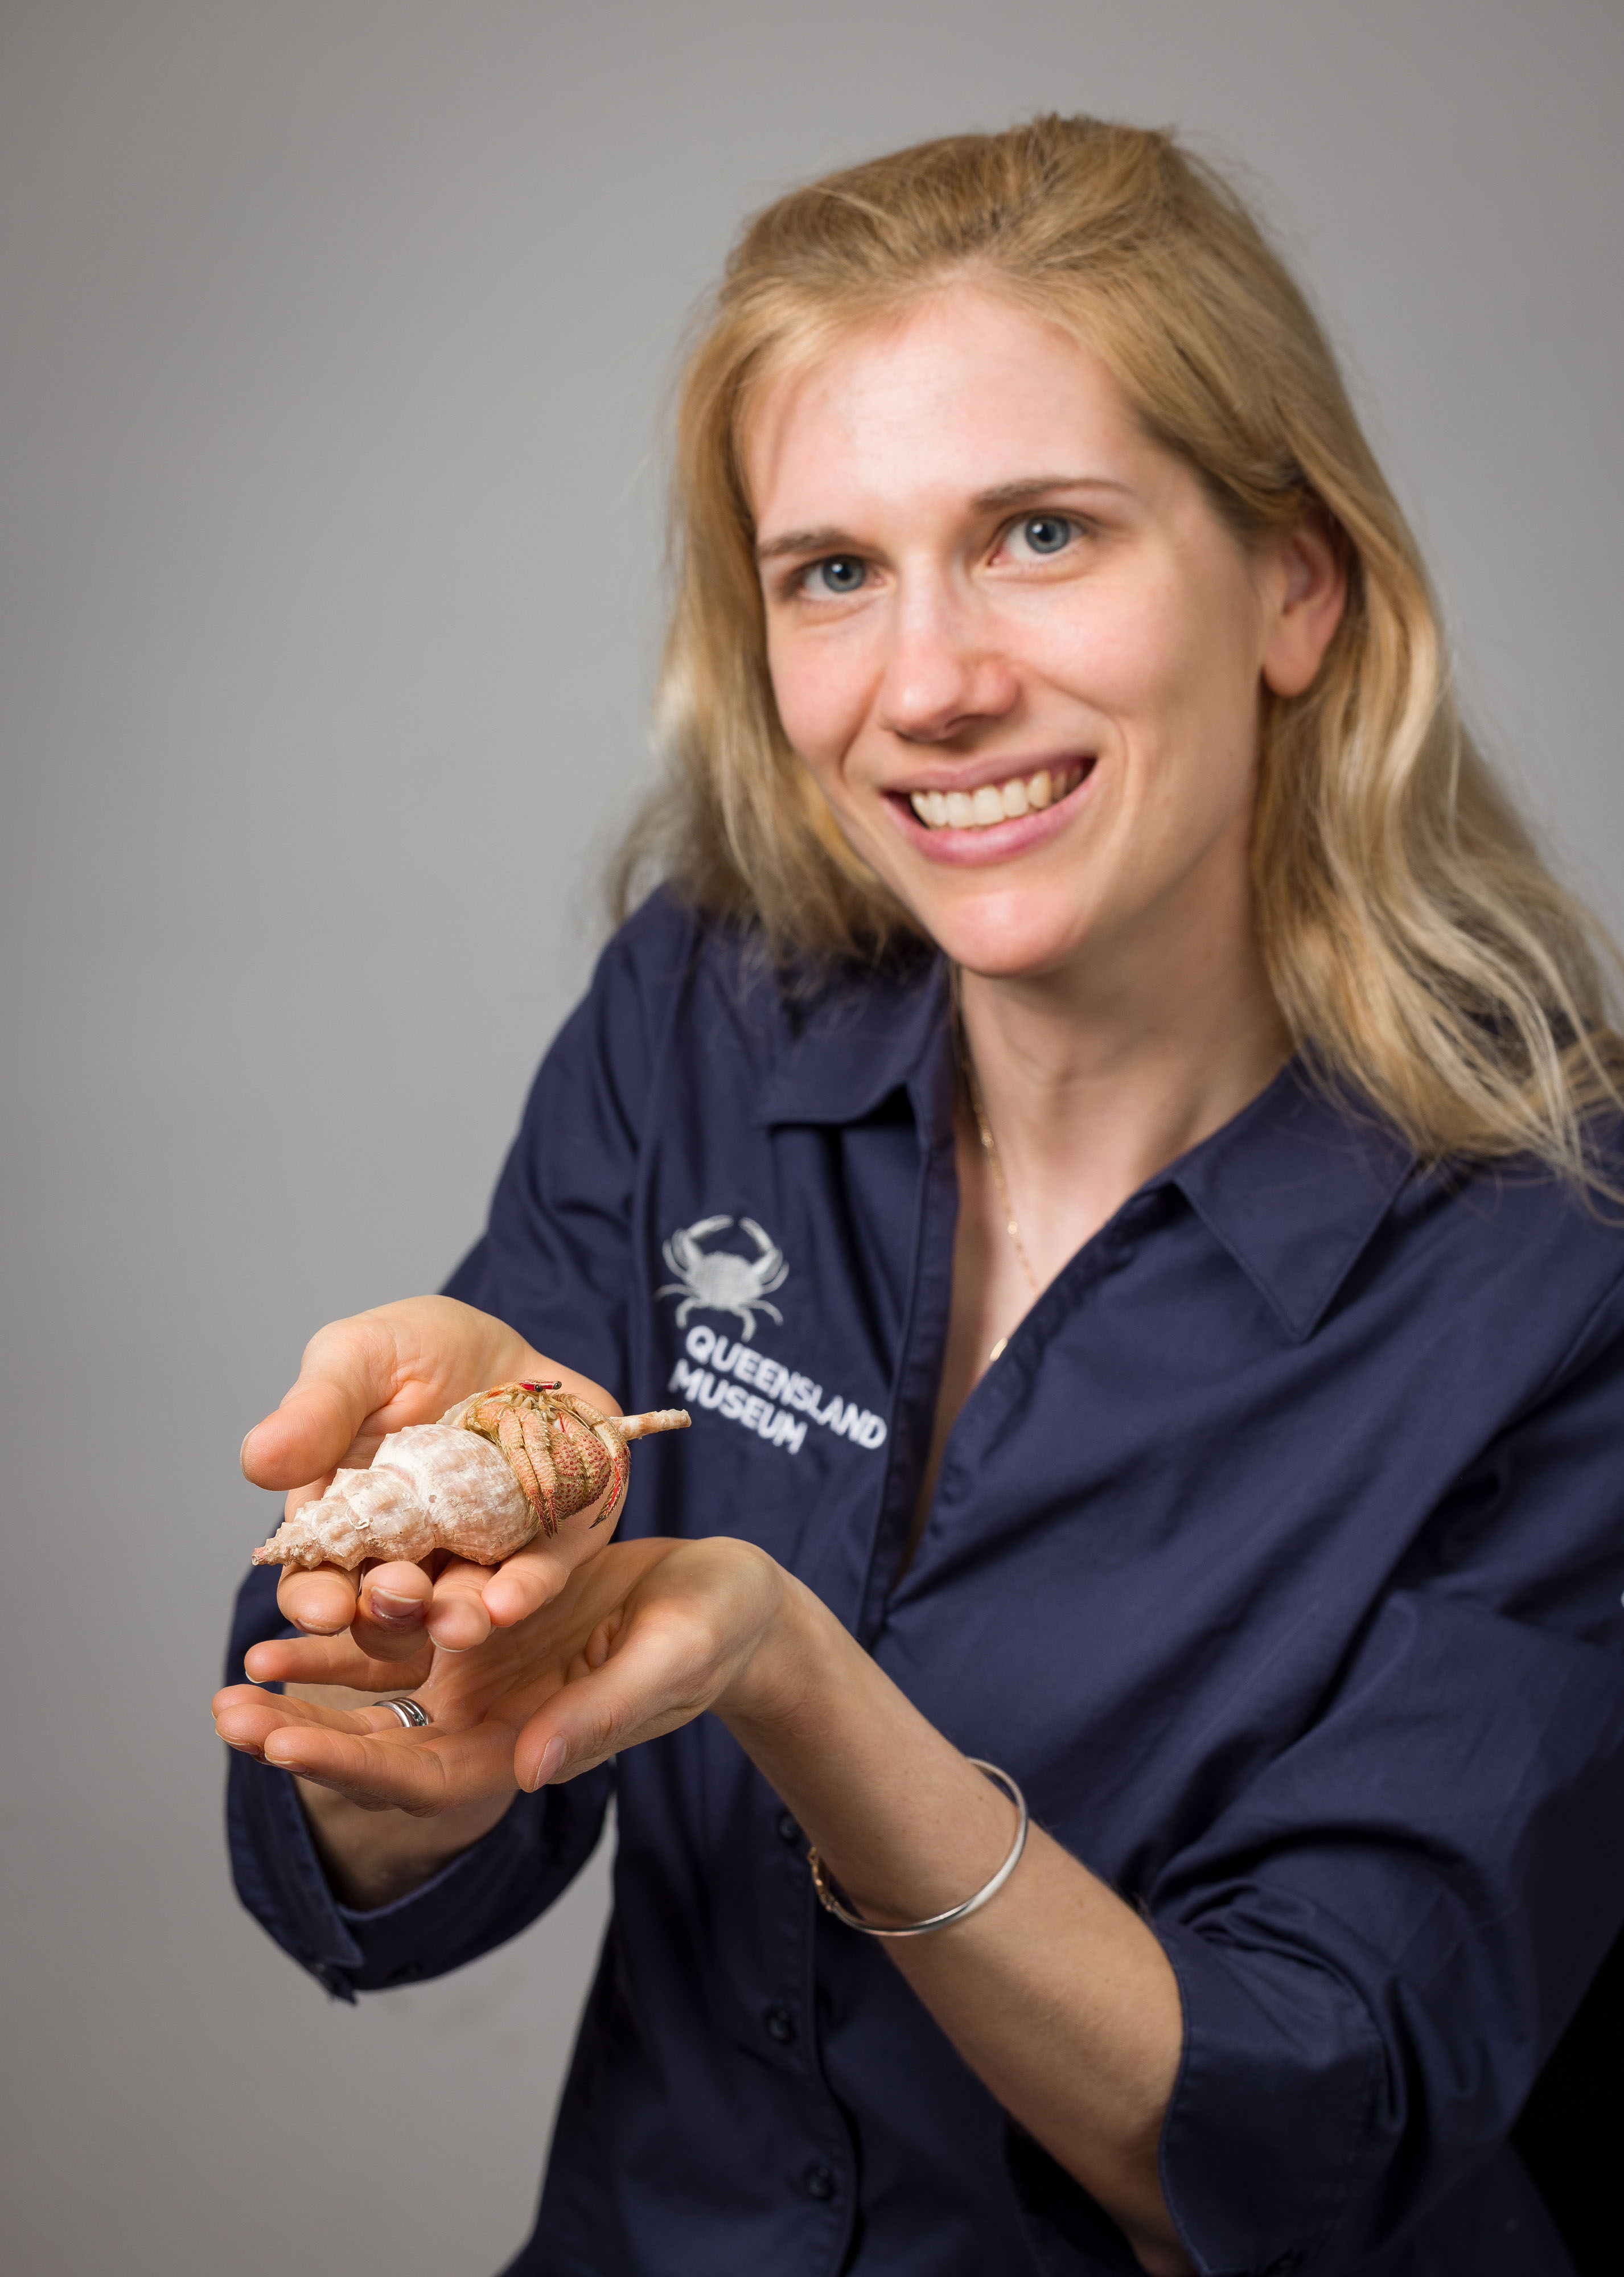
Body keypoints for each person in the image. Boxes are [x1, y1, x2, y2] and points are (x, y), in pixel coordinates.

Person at [213, 117, 1624, 2277]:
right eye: (835, 572)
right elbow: (412, 1873)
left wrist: (797, 1684)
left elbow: (1298, 2136)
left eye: (1041, 534)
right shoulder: (703, 1009)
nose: (930, 683)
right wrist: (400, 1719)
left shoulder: (1560, 1259)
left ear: (1295, 584)